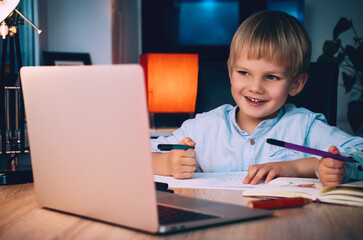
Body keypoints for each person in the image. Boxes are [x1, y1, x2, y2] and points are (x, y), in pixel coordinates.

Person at [150, 10, 363, 186]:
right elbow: (137, 155)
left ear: (295, 84)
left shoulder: (304, 126)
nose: (255, 87)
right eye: (244, 73)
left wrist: (302, 167)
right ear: (230, 72)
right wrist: (167, 163)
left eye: (271, 76)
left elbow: (359, 153)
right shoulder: (203, 127)